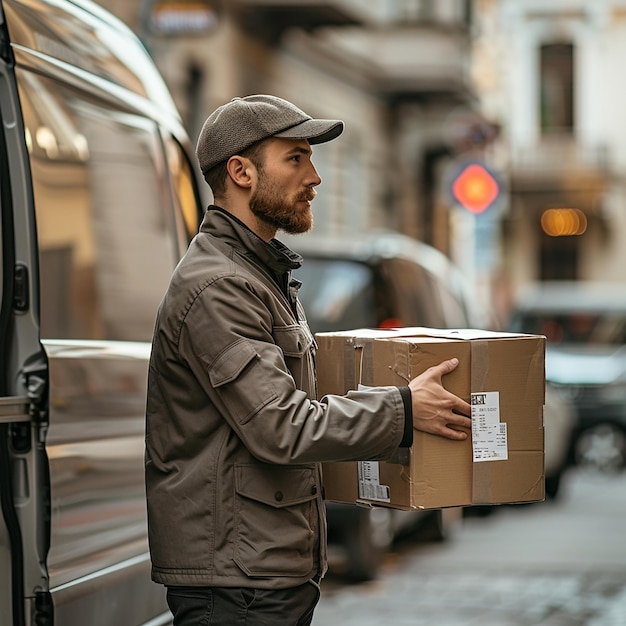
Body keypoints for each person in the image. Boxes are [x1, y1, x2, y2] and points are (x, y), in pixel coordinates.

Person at [145, 94, 472, 626]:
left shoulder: (260, 274)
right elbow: (280, 426)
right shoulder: (218, 286)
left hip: (264, 569)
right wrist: (404, 410)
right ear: (241, 172)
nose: (315, 176)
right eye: (295, 158)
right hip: (237, 583)